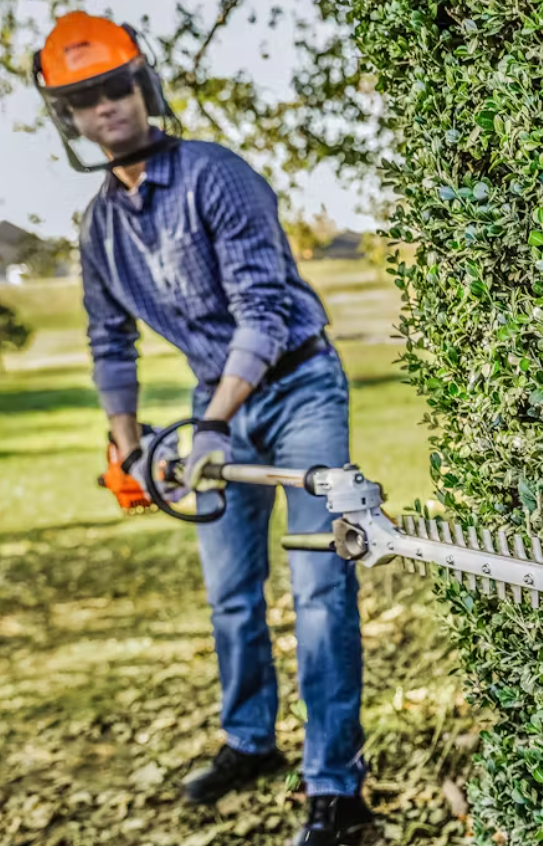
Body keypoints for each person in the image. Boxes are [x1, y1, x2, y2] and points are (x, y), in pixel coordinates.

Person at [33, 12, 372, 845]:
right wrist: (128, 446)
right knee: (230, 594)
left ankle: (336, 789)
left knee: (320, 587)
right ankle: (250, 741)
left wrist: (211, 424)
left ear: (142, 85)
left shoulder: (216, 175)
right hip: (214, 405)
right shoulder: (99, 228)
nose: (106, 106)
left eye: (116, 87)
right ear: (67, 116)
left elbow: (263, 311)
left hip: (296, 388)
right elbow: (109, 341)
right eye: (84, 98)